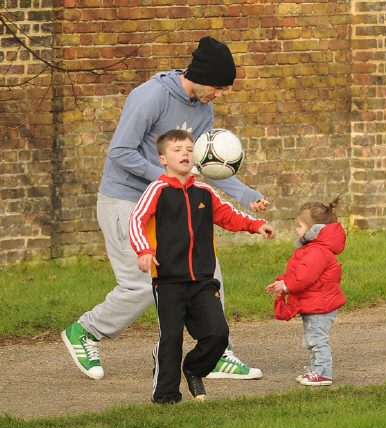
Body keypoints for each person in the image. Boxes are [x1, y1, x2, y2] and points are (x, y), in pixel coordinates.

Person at [61, 36, 269, 381]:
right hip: (125, 199)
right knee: (143, 284)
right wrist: (166, 179)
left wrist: (247, 195)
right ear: (201, 75)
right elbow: (120, 151)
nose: (220, 94)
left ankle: (214, 352)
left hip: (170, 202)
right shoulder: (151, 96)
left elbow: (203, 165)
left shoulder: (204, 110)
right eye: (218, 86)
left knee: (206, 271)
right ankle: (86, 331)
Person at [129, 129, 276, 403]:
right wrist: (144, 251)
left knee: (218, 334)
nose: (184, 153)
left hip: (203, 280)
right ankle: (166, 397)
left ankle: (194, 368)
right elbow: (136, 220)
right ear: (162, 159)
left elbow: (229, 215)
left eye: (188, 148)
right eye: (176, 149)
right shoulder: (156, 191)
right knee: (171, 340)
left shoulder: (205, 191)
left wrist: (256, 225)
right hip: (169, 280)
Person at [266, 196, 346, 386]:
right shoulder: (312, 249)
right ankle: (316, 369)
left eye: (300, 226)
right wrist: (283, 281)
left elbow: (305, 277)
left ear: (314, 230)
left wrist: (287, 285)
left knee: (317, 340)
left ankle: (323, 372)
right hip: (314, 304)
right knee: (311, 339)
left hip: (320, 306)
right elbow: (299, 272)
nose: (296, 229)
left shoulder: (317, 251)